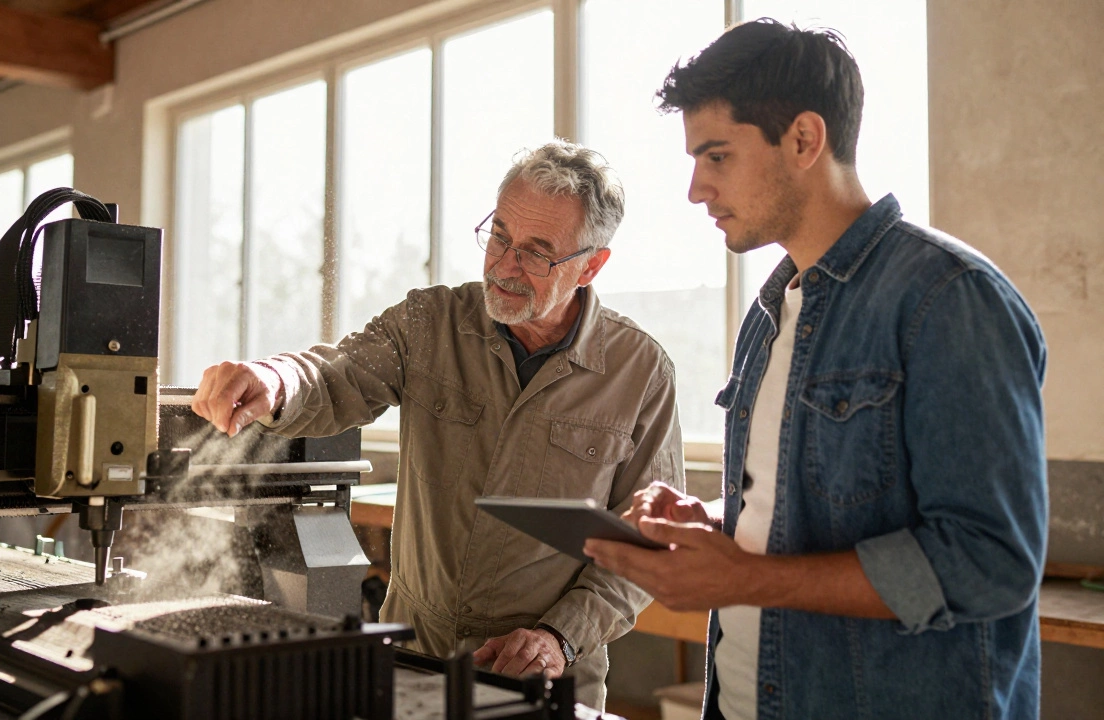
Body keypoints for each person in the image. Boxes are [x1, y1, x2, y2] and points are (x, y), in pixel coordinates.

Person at [584, 19, 1047, 720]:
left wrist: (750, 576)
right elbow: (799, 510)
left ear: (803, 139)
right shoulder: (770, 311)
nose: (695, 190)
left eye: (716, 156)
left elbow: (991, 563)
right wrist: (710, 524)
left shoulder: (949, 298)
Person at [191, 140, 684, 709]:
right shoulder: (431, 323)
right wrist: (274, 380)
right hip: (415, 655)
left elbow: (645, 548)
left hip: (542, 676)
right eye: (498, 235)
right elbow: (335, 375)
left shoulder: (639, 372)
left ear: (591, 264)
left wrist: (558, 638)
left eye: (536, 252)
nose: (503, 266)